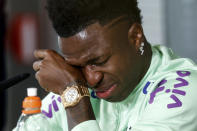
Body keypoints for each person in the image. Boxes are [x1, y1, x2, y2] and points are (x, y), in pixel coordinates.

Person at [32, 0, 197, 131]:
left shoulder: (187, 91)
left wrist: (74, 100)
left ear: (135, 37)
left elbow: (72, 93)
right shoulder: (73, 84)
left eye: (99, 61)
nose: (91, 79)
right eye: (77, 67)